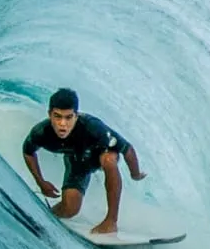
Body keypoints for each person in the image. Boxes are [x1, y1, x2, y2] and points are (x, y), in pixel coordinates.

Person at [22, 88, 147, 234]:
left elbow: (127, 149)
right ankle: (46, 216)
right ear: (49, 114)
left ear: (76, 116)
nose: (63, 124)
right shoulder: (41, 132)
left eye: (69, 117)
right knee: (70, 209)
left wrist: (135, 174)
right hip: (78, 161)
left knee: (108, 159)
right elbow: (28, 152)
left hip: (102, 154)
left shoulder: (93, 128)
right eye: (57, 116)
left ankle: (111, 221)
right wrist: (40, 182)